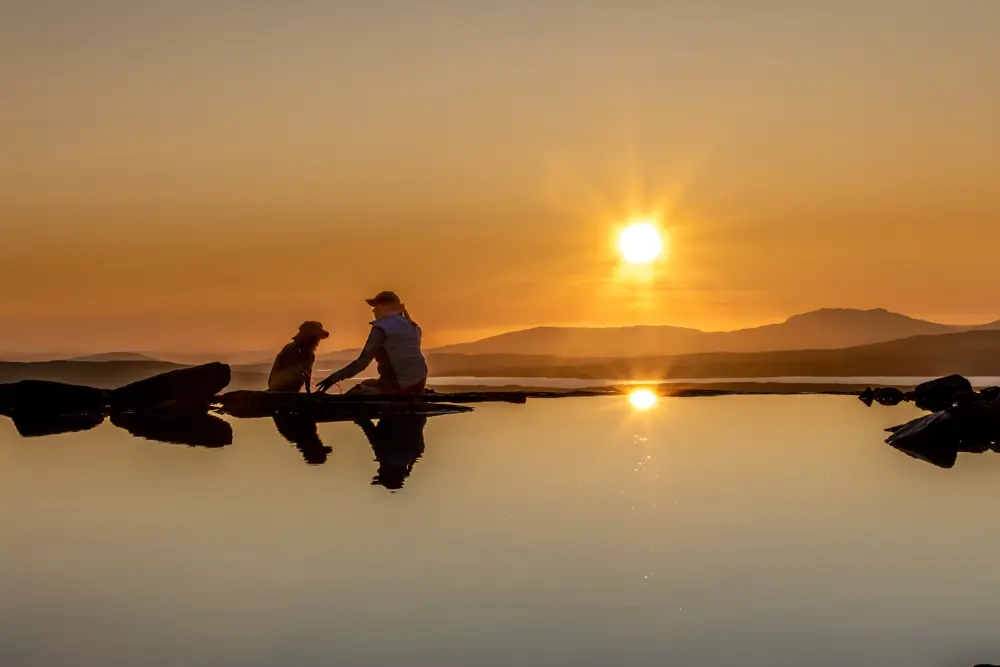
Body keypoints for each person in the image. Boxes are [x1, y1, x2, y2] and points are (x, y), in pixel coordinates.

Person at [315, 291, 427, 395]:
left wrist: (333, 378)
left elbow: (362, 363)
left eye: (376, 306)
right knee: (368, 383)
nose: (373, 311)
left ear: (385, 306)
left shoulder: (381, 328)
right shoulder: (413, 327)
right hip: (419, 383)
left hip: (400, 385)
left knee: (354, 394)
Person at [267, 321, 330, 393]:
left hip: (287, 390)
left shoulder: (306, 353)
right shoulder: (292, 350)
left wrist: (308, 390)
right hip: (280, 389)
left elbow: (307, 373)